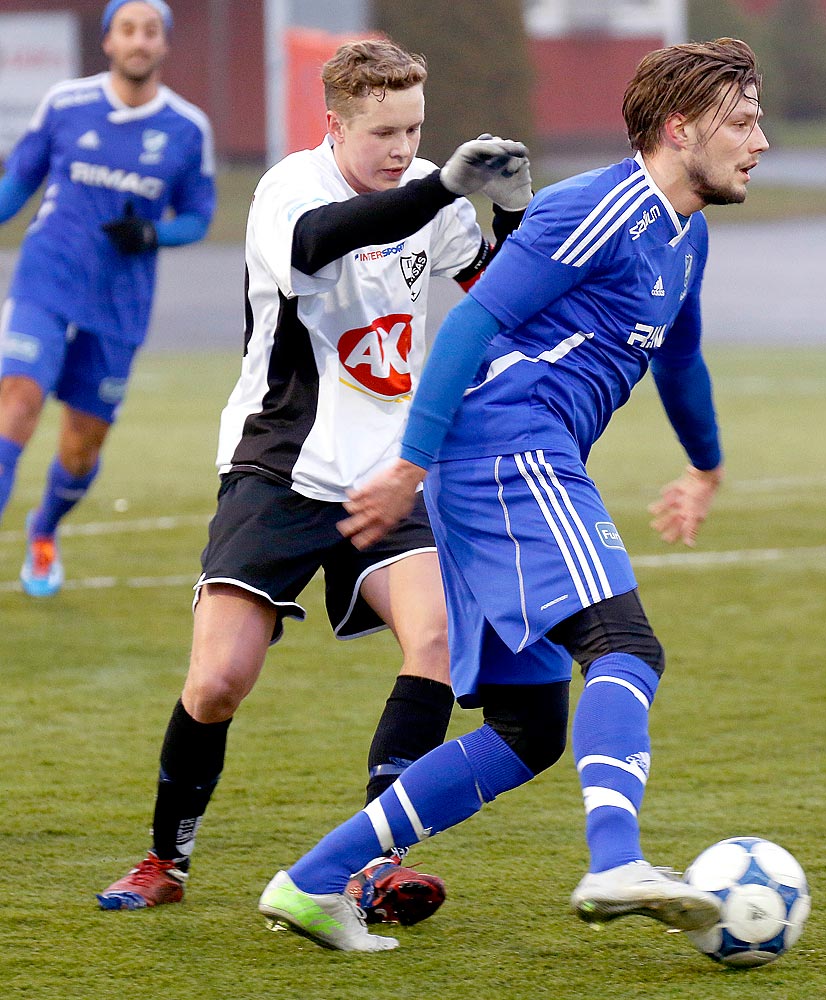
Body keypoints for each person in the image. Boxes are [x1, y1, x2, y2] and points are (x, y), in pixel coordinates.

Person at [253, 36, 766, 953]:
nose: (759, 140)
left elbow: (680, 360)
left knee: (528, 730)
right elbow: (472, 323)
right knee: (624, 645)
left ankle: (311, 884)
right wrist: (409, 463)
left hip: (509, 457)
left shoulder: (684, 234)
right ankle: (616, 860)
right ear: (680, 128)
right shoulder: (600, 206)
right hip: (507, 447)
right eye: (742, 121)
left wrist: (706, 467)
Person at [96, 37, 533, 925]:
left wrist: (512, 224)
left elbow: (501, 295)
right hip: (281, 462)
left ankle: (370, 862)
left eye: (413, 128)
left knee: (438, 643)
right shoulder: (291, 190)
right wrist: (442, 189)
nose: (403, 147)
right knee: (217, 681)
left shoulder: (433, 201)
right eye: (382, 131)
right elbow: (322, 241)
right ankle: (164, 858)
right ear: (333, 124)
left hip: (390, 470)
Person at [0, 0, 215, 596]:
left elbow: (199, 217)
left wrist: (154, 233)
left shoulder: (187, 128)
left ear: (163, 45)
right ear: (108, 41)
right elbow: (15, 185)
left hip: (119, 305)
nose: (139, 41)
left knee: (80, 445)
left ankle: (44, 529)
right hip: (46, 280)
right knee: (16, 401)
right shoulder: (66, 105)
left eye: (151, 31)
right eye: (128, 30)